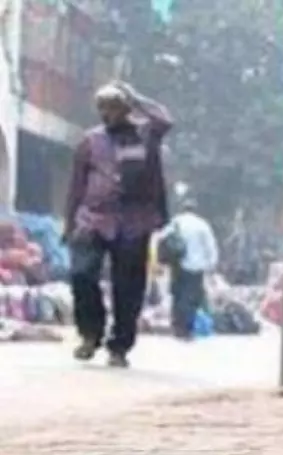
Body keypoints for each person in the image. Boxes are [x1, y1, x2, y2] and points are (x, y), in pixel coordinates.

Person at [64, 82, 173, 368]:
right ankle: (90, 333)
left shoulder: (146, 134)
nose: (106, 113)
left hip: (134, 221)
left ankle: (120, 346)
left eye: (112, 108)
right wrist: (69, 223)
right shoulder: (90, 141)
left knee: (128, 287)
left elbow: (164, 120)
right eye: (102, 108)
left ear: (126, 109)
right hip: (93, 218)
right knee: (81, 273)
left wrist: (135, 97)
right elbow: (76, 186)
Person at [160, 197, 218, 340]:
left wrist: (163, 261)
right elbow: (210, 246)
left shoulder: (174, 222)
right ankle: (187, 328)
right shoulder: (202, 224)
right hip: (195, 267)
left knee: (177, 295)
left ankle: (177, 326)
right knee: (191, 297)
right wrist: (212, 265)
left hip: (177, 265)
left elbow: (162, 239)